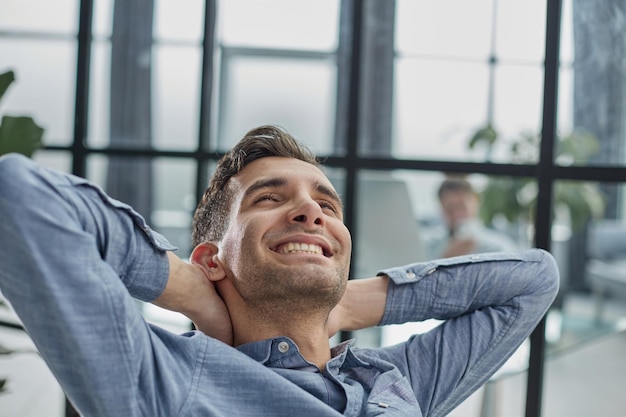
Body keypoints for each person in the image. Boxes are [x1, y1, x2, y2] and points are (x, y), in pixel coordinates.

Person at [0, 125, 558, 417]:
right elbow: (19, 198)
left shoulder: (395, 381)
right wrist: (188, 289)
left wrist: (351, 301)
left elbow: (534, 280)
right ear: (212, 258)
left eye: (327, 206)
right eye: (269, 197)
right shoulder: (163, 380)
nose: (311, 210)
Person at [430, 176, 519, 259]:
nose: (457, 215)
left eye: (461, 207)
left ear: (475, 201)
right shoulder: (431, 247)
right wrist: (445, 258)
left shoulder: (500, 247)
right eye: (450, 209)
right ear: (441, 208)